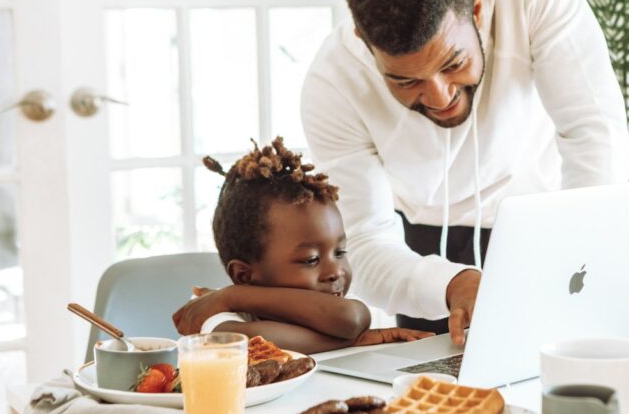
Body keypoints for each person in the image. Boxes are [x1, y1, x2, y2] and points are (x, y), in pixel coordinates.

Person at [301, 0, 629, 345]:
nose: (440, 97)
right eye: (406, 82)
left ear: (477, 8)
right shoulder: (332, 85)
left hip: (545, 221)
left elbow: (593, 128)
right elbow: (362, 243)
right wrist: (450, 283)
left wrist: (581, 258)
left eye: (453, 63)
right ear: (365, 45)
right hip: (417, 248)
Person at [170, 137, 433, 353]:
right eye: (310, 260)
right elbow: (255, 344)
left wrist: (233, 293)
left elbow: (353, 318)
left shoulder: (321, 301)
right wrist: (355, 340)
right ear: (244, 275)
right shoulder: (210, 312)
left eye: (340, 252)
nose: (335, 271)